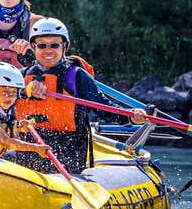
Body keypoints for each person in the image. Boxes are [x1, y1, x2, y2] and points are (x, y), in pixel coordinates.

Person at [13, 18, 145, 174]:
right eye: (42, 45)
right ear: (33, 48)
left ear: (64, 47)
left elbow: (102, 106)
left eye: (54, 45)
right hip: (29, 145)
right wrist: (24, 91)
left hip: (68, 147)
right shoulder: (19, 77)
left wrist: (129, 116)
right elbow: (1, 101)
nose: (48, 50)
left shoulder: (76, 76)